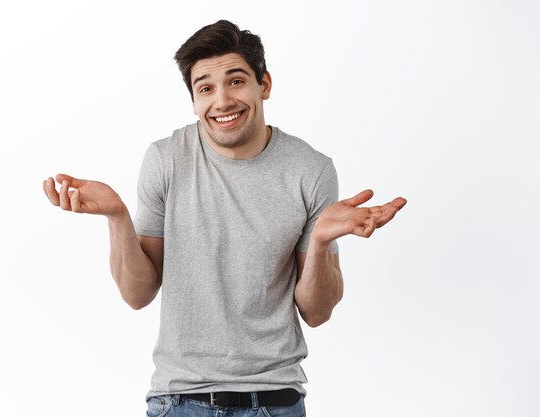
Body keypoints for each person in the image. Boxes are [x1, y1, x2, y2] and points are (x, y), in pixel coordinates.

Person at [43, 19, 406, 417]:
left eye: (236, 81)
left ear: (263, 85)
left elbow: (317, 313)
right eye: (205, 88)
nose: (222, 101)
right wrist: (117, 217)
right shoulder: (166, 159)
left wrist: (319, 241)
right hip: (179, 401)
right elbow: (137, 294)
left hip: (275, 400)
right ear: (194, 99)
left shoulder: (311, 170)